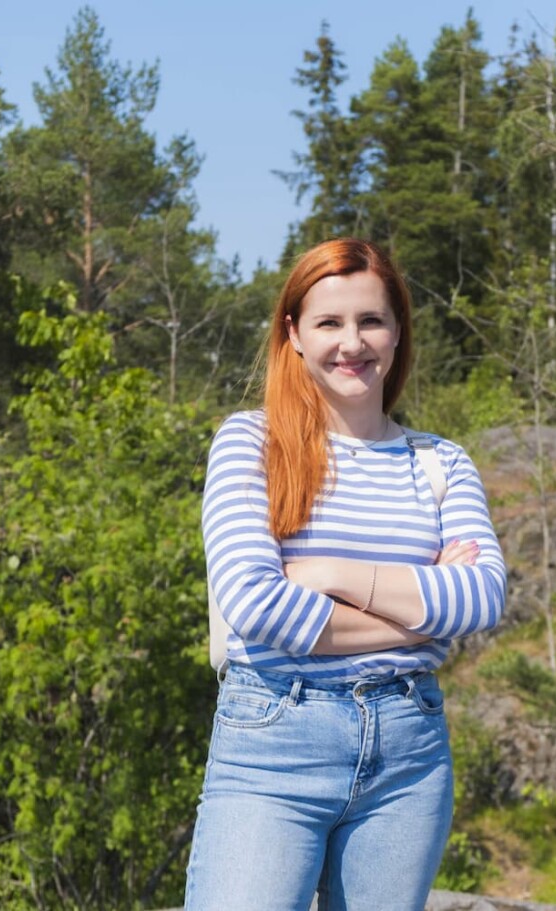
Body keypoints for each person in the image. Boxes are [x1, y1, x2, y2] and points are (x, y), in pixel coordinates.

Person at [185, 238, 506, 911]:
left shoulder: (441, 462)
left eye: (372, 320)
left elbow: (480, 596)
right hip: (274, 735)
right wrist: (419, 625)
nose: (351, 342)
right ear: (293, 334)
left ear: (397, 333)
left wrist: (333, 571)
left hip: (408, 754)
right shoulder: (251, 441)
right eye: (329, 322)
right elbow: (256, 604)